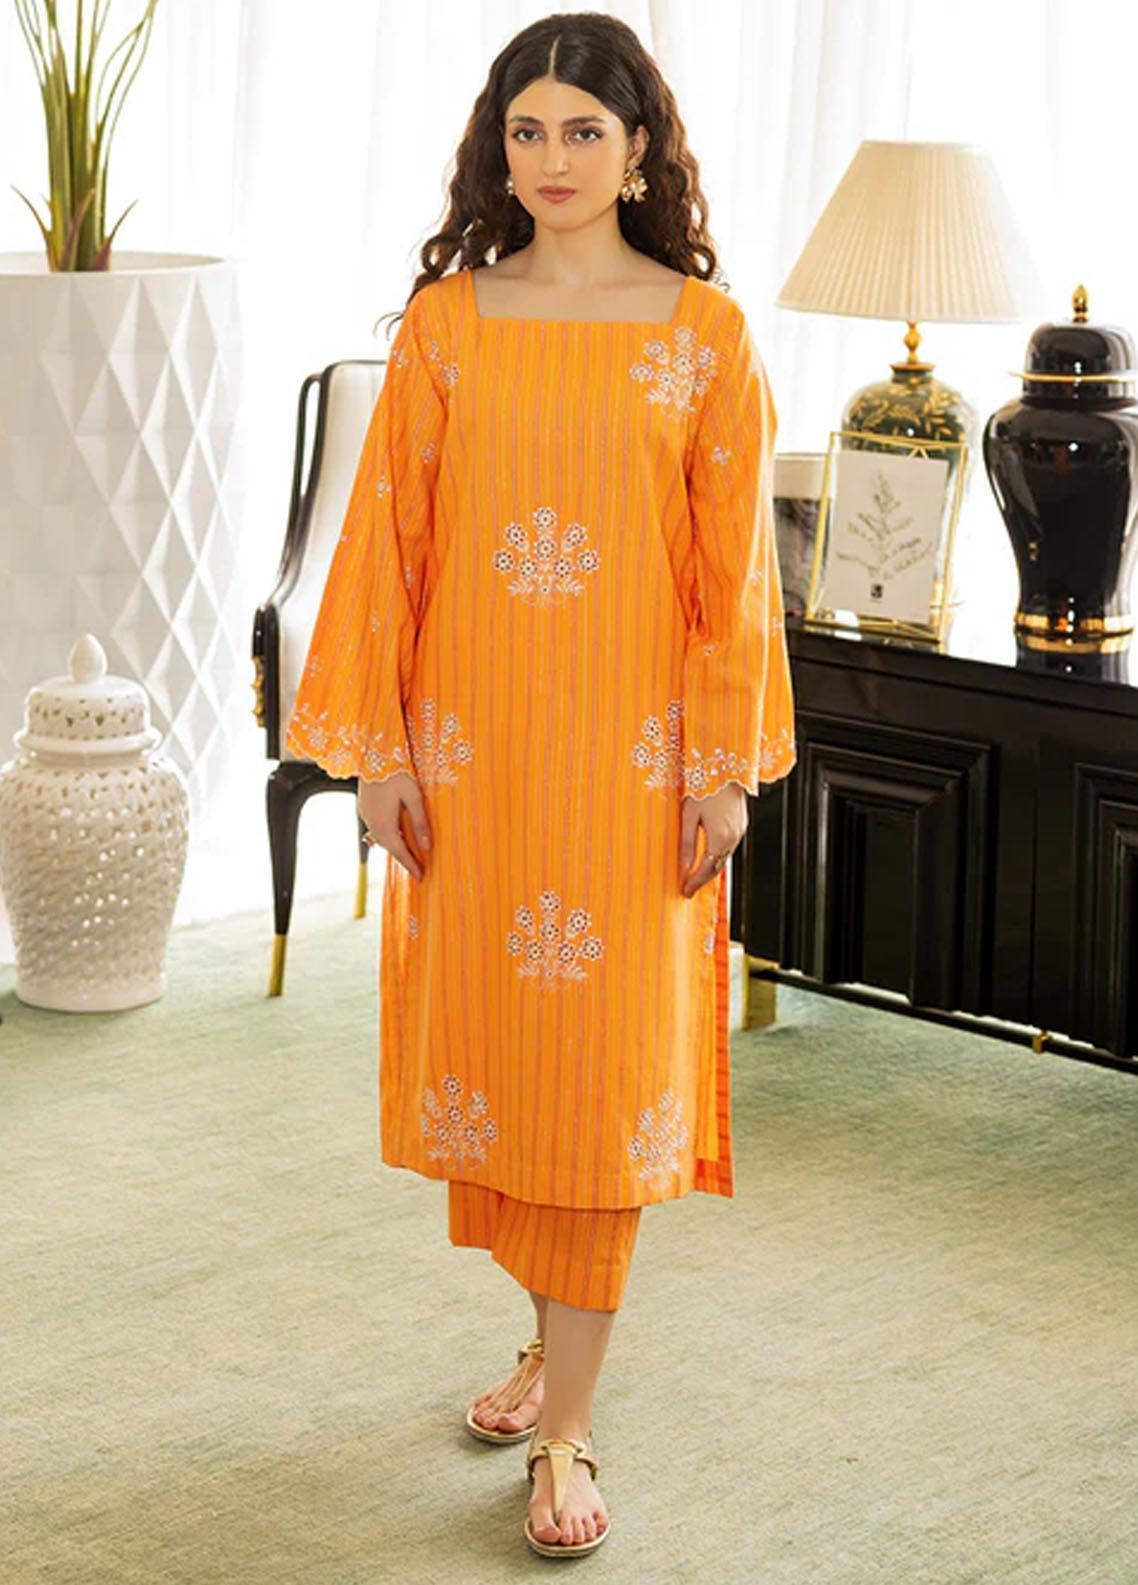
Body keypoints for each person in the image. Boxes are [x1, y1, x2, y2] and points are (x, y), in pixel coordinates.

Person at [285, 9, 797, 1561]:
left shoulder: (702, 334)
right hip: (477, 757)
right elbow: (386, 543)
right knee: (510, 1068)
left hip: (633, 769)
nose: (552, 158)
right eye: (527, 130)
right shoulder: (448, 324)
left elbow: (733, 576)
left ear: (639, 150)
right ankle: (548, 1336)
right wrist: (379, 752)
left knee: (604, 1076)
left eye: (583, 129)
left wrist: (723, 772)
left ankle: (565, 1426)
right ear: (494, 151)